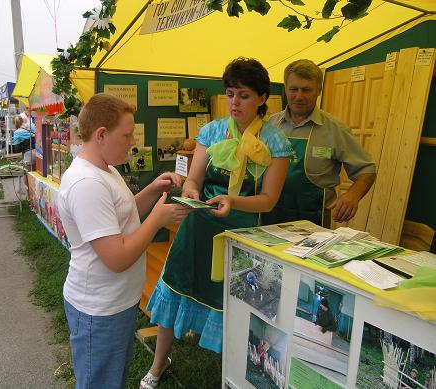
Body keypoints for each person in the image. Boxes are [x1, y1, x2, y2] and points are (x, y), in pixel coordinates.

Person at [141, 57, 291, 389]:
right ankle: (159, 362)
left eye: (244, 96)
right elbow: (193, 180)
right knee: (175, 286)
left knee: (240, 304)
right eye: (230, 94)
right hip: (200, 226)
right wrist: (192, 192)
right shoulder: (210, 131)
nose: (234, 102)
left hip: (244, 232)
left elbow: (268, 200)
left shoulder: (277, 142)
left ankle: (236, 375)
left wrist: (233, 201)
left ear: (263, 98)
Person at [57, 93, 193, 389]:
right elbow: (117, 258)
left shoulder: (104, 168)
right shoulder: (87, 184)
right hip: (99, 309)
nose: (132, 141)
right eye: (127, 135)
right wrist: (157, 218)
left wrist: (152, 189)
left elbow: (121, 213)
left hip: (113, 304)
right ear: (101, 134)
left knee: (110, 379)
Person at [266, 59, 376, 226]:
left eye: (307, 90)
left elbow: (367, 170)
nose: (299, 96)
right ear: (285, 89)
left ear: (319, 90)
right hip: (269, 216)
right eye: (294, 89)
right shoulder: (272, 124)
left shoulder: (335, 129)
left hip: (313, 223)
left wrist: (352, 195)